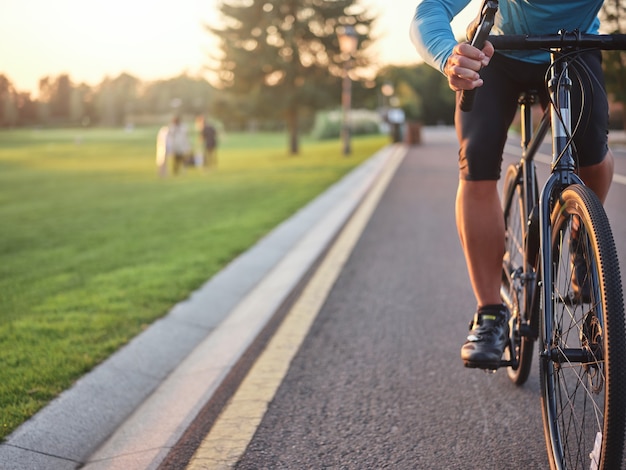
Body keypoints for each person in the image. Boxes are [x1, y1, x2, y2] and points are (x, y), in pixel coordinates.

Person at [410, 0, 615, 368]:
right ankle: (489, 313)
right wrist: (448, 57)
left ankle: (581, 234)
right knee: (477, 158)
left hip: (573, 48)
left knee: (592, 152)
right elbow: (430, 10)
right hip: (498, 53)